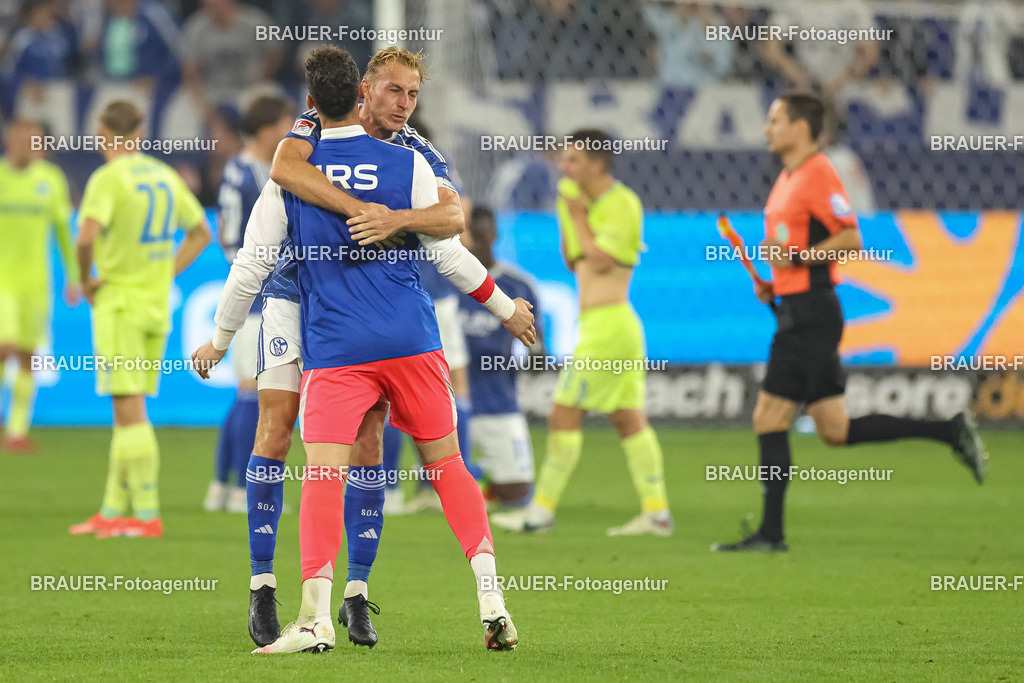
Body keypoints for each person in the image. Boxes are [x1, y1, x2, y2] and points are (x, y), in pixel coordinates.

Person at [193, 45, 534, 654]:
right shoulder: (379, 160)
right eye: (394, 91)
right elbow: (448, 243)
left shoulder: (360, 158)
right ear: (363, 93)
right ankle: (267, 584)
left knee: (337, 460)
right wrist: (504, 306)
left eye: (413, 94)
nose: (404, 104)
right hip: (363, 322)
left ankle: (339, 599)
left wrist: (219, 339)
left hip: (340, 339)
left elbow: (446, 226)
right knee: (291, 432)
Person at [712, 92, 987, 553]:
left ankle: (771, 534)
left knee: (768, 416)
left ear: (802, 127)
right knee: (834, 430)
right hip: (798, 306)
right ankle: (949, 431)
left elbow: (851, 237)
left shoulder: (818, 172)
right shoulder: (786, 177)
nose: (766, 129)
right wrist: (776, 283)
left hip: (810, 316)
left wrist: (797, 260)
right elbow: (792, 253)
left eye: (775, 120)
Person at [509, 130, 673, 537]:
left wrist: (579, 215)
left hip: (609, 326)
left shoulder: (623, 203)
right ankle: (656, 513)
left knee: (564, 411)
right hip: (606, 325)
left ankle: (540, 511)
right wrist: (569, 213)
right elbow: (572, 259)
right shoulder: (574, 200)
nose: (563, 167)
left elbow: (600, 261)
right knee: (628, 418)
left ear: (597, 165)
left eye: (573, 160)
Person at [69, 100, 210, 538]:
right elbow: (201, 232)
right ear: (140, 133)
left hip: (120, 306)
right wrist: (165, 272)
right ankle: (112, 510)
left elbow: (85, 237)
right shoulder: (164, 175)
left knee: (129, 411)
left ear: (102, 134)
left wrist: (85, 280)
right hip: (154, 307)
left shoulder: (108, 178)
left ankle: (146, 514)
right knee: (128, 408)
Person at [203, 95, 294, 513]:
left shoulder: (246, 169)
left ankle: (221, 485)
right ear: (267, 129)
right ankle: (244, 489)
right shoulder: (247, 174)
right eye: (285, 122)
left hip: (258, 294)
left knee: (249, 392)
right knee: (254, 394)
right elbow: (235, 241)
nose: (291, 129)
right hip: (259, 297)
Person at [0, 118, 79, 452]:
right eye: (21, 139)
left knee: (27, 355)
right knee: (3, 345)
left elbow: (63, 232)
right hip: (2, 281)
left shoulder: (51, 179)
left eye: (34, 141)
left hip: (35, 283)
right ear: (9, 141)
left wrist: (74, 276)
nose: (28, 146)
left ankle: (16, 431)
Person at [460, 206, 543, 514]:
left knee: (517, 496)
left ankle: (481, 481)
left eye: (484, 234)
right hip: (450, 407)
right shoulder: (447, 280)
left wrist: (534, 353)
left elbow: (538, 354)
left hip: (498, 403)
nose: (480, 242)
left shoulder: (517, 286)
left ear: (495, 234)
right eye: (474, 235)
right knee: (443, 495)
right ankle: (472, 479)